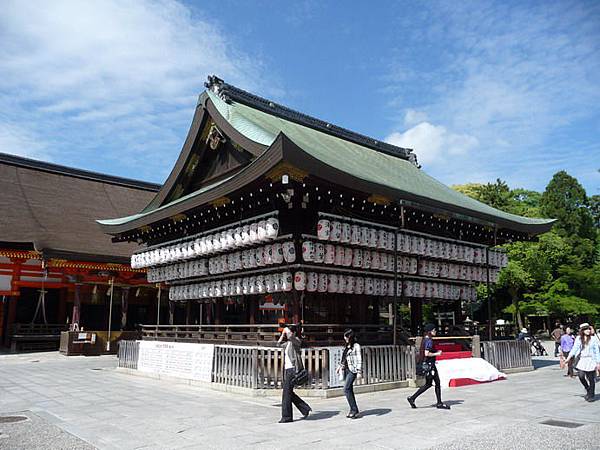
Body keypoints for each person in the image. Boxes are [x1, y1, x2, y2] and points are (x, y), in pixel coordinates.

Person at [407, 324, 450, 410]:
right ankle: (439, 403)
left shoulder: (425, 339)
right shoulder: (429, 340)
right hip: (430, 365)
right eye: (434, 330)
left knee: (429, 384)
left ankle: (413, 398)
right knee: (436, 383)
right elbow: (427, 353)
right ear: (430, 331)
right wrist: (437, 353)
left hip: (427, 365)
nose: (435, 331)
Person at [277, 324, 311, 422]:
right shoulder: (288, 343)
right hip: (287, 370)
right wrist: (282, 335)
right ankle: (304, 408)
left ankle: (287, 417)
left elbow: (291, 337)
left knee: (286, 393)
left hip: (293, 369)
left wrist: (287, 331)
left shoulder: (296, 341)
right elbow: (278, 344)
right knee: (288, 392)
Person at [565, 323, 600, 402]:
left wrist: (598, 362)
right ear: (582, 331)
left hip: (591, 360)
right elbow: (574, 348)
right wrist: (568, 358)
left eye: (588, 329)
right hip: (582, 360)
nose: (588, 331)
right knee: (581, 376)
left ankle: (591, 395)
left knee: (591, 379)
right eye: (586, 329)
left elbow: (597, 351)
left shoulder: (593, 339)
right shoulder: (578, 338)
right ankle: (587, 388)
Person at [336, 329, 362, 419]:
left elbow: (359, 359)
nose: (345, 338)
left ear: (350, 337)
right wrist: (339, 367)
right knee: (349, 389)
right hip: (346, 369)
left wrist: (359, 371)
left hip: (353, 370)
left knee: (346, 389)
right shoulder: (347, 346)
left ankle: (354, 410)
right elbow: (344, 358)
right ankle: (354, 410)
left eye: (346, 336)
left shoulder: (356, 346)